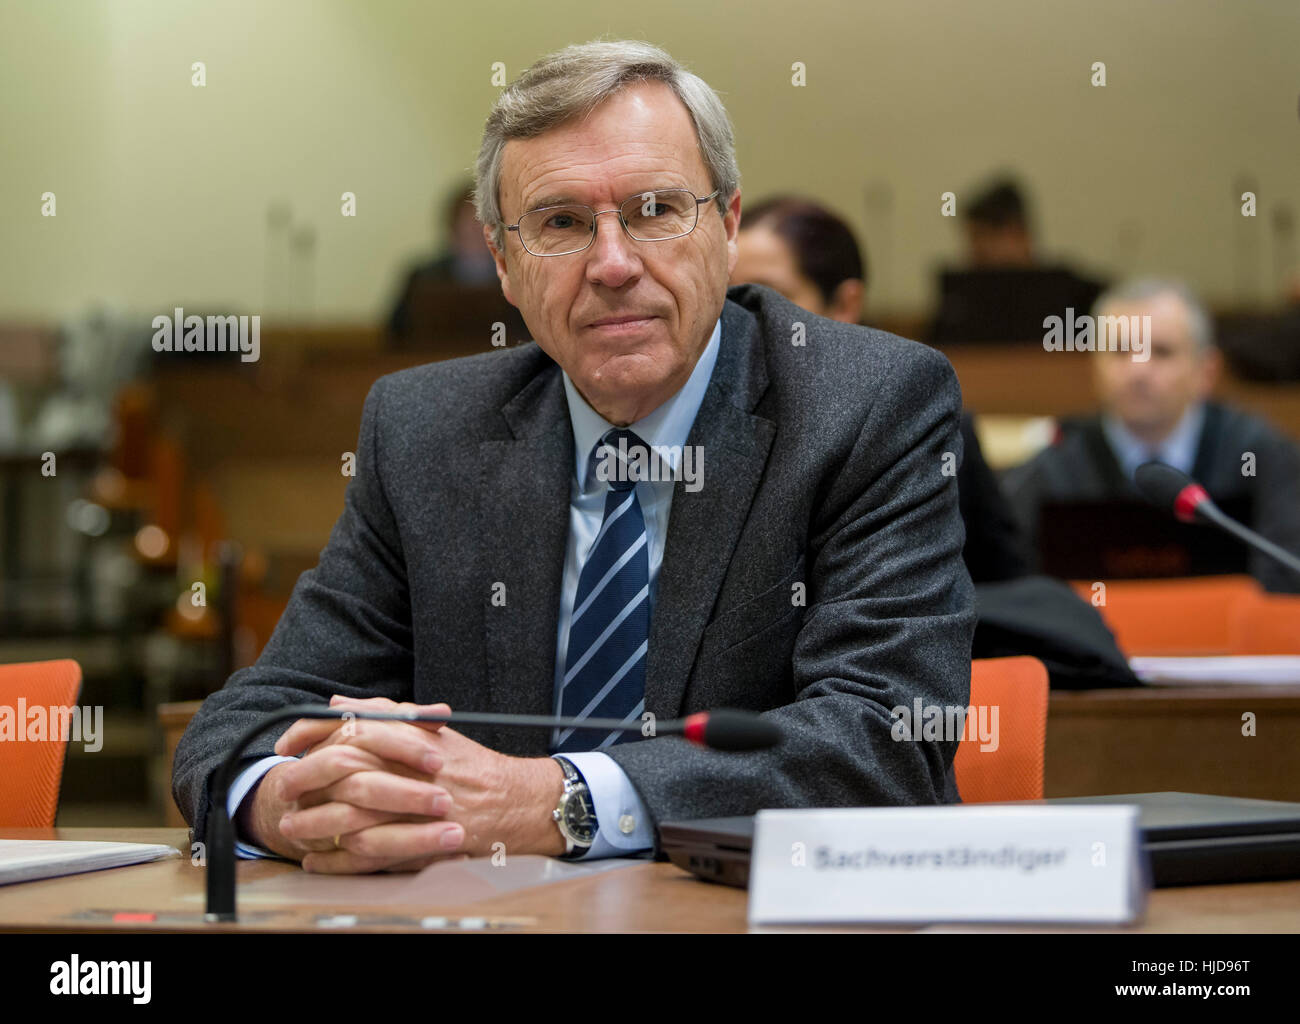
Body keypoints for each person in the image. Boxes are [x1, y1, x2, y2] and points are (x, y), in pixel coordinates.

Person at [174, 40, 974, 874]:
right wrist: (283, 800)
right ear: (504, 265)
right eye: (560, 224)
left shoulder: (868, 404)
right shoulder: (424, 433)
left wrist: (554, 801)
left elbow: (886, 737)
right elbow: (245, 721)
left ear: (728, 226)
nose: (614, 264)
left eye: (655, 209)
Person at [733, 195, 1028, 582]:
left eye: (769, 298)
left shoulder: (923, 425)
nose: (742, 319)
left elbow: (1008, 587)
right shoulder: (714, 420)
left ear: (845, 303)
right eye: (731, 298)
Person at [1002, 277, 1300, 593]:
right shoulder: (1053, 467)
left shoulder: (1261, 456)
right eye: (1120, 351)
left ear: (1206, 371)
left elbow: (1286, 581)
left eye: (1161, 352)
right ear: (1094, 367)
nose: (1139, 370)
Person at [929, 176, 1104, 344]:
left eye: (981, 237)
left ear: (1018, 233)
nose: (974, 251)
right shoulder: (960, 302)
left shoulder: (1074, 295)